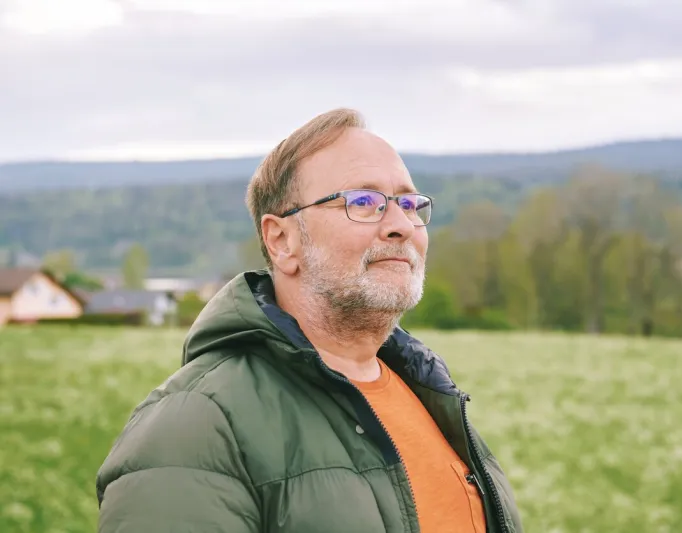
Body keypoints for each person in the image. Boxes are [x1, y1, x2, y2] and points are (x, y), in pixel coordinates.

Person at [95, 108, 524, 533]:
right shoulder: (194, 427)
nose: (401, 225)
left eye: (410, 204)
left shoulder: (431, 396)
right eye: (364, 202)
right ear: (281, 240)